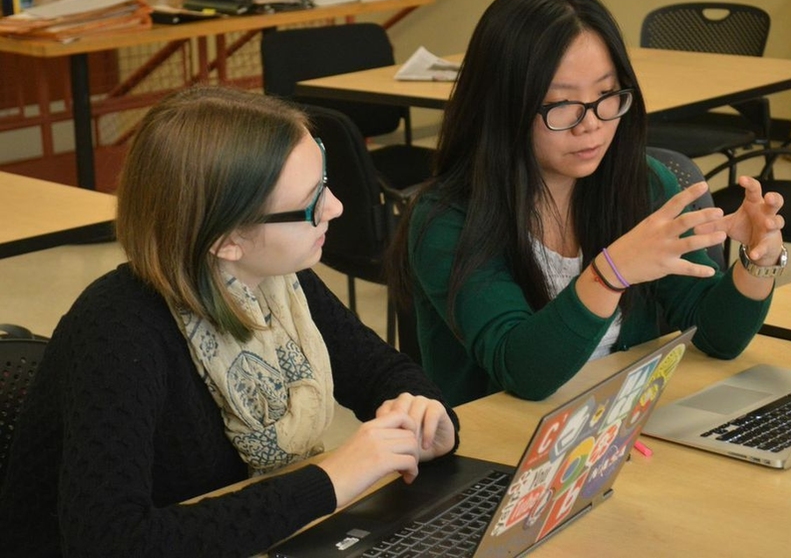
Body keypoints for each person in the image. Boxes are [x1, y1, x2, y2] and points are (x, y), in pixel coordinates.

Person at [0, 86, 458, 557]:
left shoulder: (277, 281)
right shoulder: (117, 330)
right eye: (311, 201)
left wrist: (424, 415)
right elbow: (111, 542)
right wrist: (330, 480)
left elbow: (381, 372)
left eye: (326, 184)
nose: (336, 208)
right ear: (228, 240)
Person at [388, 0, 787, 407]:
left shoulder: (642, 183)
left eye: (606, 95)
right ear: (504, 106)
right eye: (562, 104)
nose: (591, 124)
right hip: (502, 454)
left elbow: (716, 337)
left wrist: (756, 262)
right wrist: (610, 274)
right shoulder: (448, 218)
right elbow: (522, 371)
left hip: (614, 429)